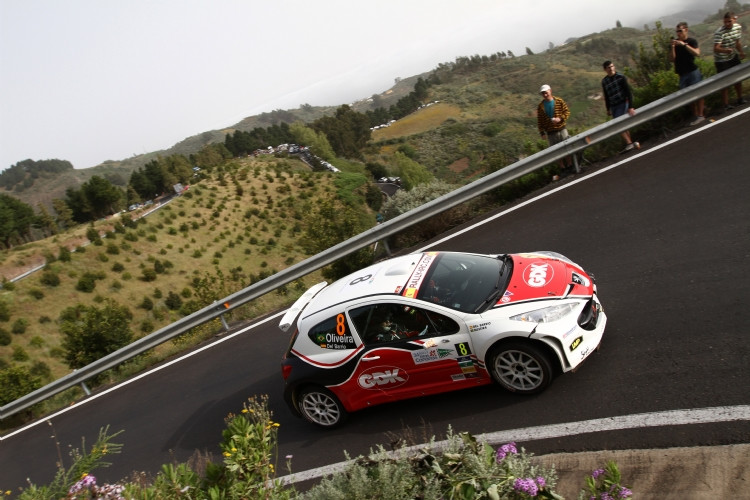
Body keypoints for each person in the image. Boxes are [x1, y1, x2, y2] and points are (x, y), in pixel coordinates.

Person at [669, 22, 705, 126]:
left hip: (692, 71)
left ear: (686, 30)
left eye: (680, 31)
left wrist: (684, 45)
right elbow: (672, 59)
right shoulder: (675, 45)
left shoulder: (691, 41)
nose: (678, 33)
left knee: (698, 93)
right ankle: (695, 115)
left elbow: (697, 53)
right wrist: (672, 47)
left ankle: (701, 115)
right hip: (682, 74)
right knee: (688, 97)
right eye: (677, 31)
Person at [601, 60, 639, 151]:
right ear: (605, 69)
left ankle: (629, 143)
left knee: (618, 124)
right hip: (614, 105)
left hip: (623, 102)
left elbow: (628, 92)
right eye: (609, 67)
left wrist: (630, 106)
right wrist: (608, 108)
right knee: (623, 124)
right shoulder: (604, 81)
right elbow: (606, 95)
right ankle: (630, 143)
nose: (611, 69)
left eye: (612, 66)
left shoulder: (620, 77)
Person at [537, 84, 573, 171]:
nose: (545, 95)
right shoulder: (541, 106)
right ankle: (563, 168)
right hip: (550, 132)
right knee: (556, 152)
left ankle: (570, 165)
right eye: (543, 93)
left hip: (561, 129)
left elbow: (567, 112)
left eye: (546, 93)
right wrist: (542, 132)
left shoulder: (559, 101)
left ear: (550, 91)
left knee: (566, 148)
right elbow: (540, 121)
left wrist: (560, 118)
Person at [713, 12, 745, 110]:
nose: (727, 24)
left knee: (737, 78)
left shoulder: (737, 28)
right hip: (721, 60)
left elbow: (737, 42)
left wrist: (741, 52)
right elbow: (716, 48)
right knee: (724, 82)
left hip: (732, 56)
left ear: (734, 20)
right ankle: (726, 104)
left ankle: (740, 98)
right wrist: (725, 50)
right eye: (725, 22)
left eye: (729, 21)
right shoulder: (720, 32)